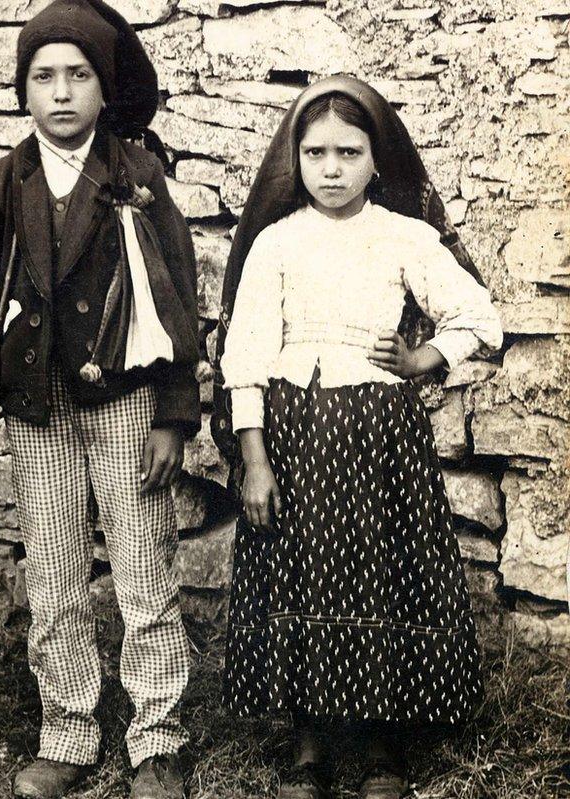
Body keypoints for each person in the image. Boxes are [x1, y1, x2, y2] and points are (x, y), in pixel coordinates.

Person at [211, 76, 503, 799]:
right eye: (315, 153)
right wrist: (254, 461)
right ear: (295, 160)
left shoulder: (404, 236)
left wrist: (421, 358)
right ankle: (310, 743)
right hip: (293, 437)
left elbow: (478, 317)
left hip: (382, 441)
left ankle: (381, 743)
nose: (332, 168)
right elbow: (245, 356)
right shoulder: (276, 243)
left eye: (349, 151)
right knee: (302, 570)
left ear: (379, 160)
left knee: (380, 572)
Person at [0, 2, 202, 797]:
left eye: (78, 76)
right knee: (52, 571)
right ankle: (68, 729)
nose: (61, 93)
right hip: (36, 407)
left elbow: (179, 297)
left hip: (123, 400)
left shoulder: (138, 177)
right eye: (43, 76)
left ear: (103, 87)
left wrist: (172, 413)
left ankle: (156, 734)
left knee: (142, 566)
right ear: (22, 89)